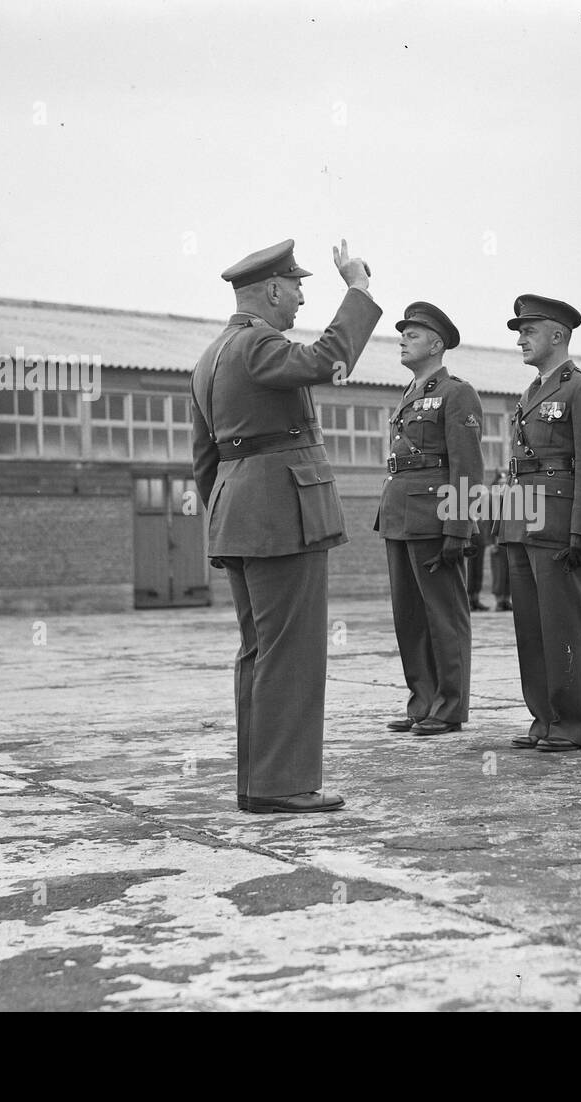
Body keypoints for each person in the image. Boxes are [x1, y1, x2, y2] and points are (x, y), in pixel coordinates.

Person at [191, 238, 381, 814]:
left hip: (241, 517)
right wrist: (358, 290)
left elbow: (205, 459)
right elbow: (327, 360)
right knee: (291, 652)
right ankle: (284, 786)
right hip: (280, 517)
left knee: (259, 651)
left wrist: (227, 516)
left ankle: (260, 783)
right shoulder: (258, 345)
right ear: (272, 290)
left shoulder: (209, 358)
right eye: (296, 286)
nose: (300, 297)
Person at [497, 295, 581, 752]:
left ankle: (575, 724)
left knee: (564, 625)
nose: (521, 339)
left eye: (529, 330)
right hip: (523, 518)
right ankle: (544, 718)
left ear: (558, 335)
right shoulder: (530, 392)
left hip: (560, 522)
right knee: (532, 626)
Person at [375, 302, 484, 737]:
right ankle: (422, 701)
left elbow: (467, 465)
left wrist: (460, 526)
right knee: (410, 616)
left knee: (444, 615)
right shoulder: (409, 393)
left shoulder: (457, 392)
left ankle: (450, 706)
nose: (403, 340)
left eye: (413, 335)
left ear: (436, 344)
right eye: (403, 334)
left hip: (434, 515)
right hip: (400, 513)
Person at [487, 469, 513, 609]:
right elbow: (487, 524)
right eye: (500, 483)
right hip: (496, 542)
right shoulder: (491, 500)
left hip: (507, 541)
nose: (502, 486)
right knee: (499, 572)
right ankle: (499, 600)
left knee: (509, 572)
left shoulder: (510, 499)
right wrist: (490, 543)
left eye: (505, 483)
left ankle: (506, 599)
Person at [466, 517, 490, 611]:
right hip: (470, 540)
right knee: (470, 571)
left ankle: (476, 598)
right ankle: (469, 599)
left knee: (478, 571)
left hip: (480, 540)